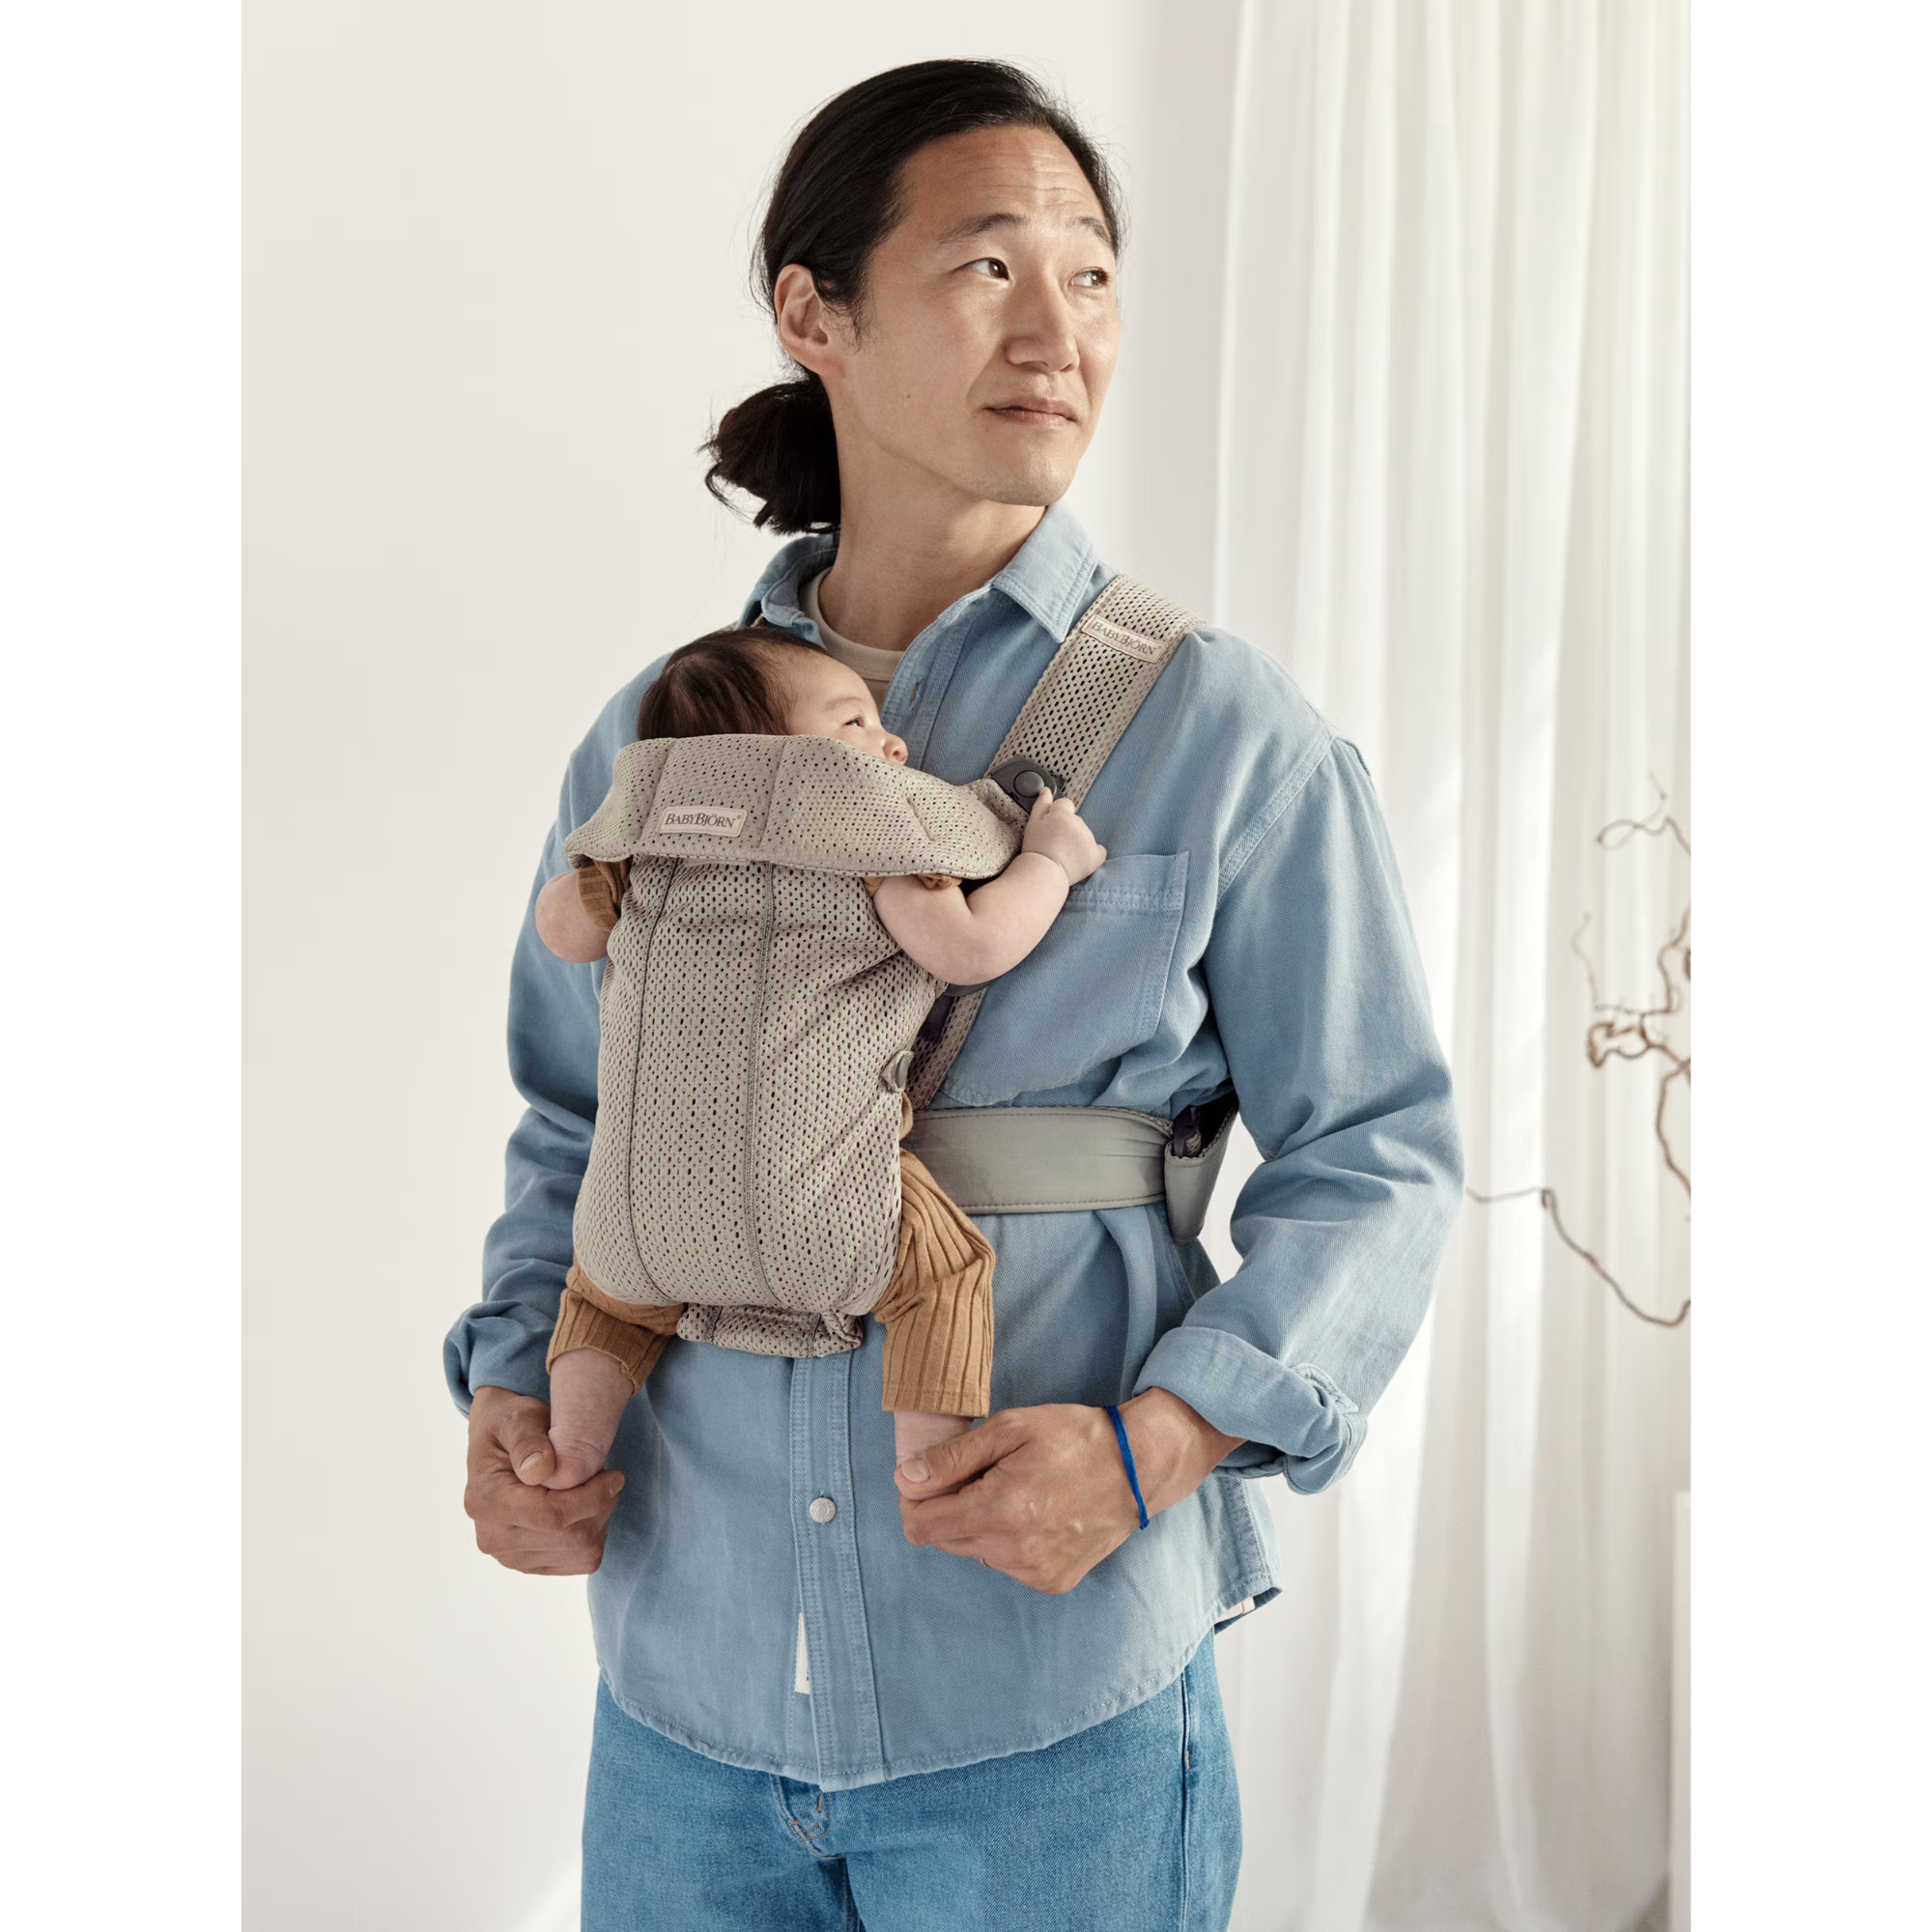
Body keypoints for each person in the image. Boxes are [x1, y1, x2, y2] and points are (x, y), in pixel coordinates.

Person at [445, 56, 1463, 1932]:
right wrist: (515, 1387)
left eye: (1092, 274)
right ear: (812, 314)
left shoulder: (1226, 729)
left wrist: (1159, 1449)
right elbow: (576, 1115)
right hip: (683, 1701)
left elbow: (1379, 1157)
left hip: (1050, 1704)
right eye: (990, 265)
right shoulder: (658, 736)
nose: (1057, 329)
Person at [528, 622, 1106, 1487]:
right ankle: (930, 1474)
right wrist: (1050, 866)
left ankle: (571, 1450)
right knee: (945, 1276)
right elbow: (970, 948)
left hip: (637, 1222)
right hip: (820, 1209)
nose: (891, 743)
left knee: (600, 1292)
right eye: (853, 723)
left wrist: (600, 867)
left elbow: (563, 933)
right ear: (768, 756)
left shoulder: (644, 853)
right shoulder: (868, 837)